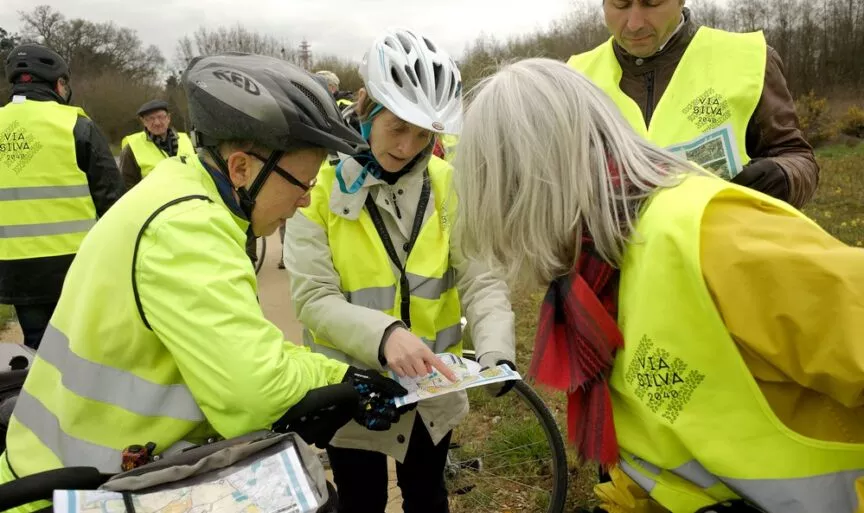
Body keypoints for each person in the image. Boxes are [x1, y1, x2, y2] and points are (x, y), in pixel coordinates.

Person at [0, 53, 411, 513]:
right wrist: (347, 381)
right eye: (303, 182)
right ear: (241, 169)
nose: (306, 199)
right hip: (76, 487)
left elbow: (244, 346)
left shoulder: (186, 192)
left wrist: (340, 376)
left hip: (92, 460)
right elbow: (255, 395)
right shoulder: (188, 227)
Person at [452, 58, 864, 513]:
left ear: (531, 186)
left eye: (502, 200)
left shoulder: (711, 237)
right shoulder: (593, 279)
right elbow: (660, 451)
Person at [284, 29, 517, 513]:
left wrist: (496, 350)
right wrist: (386, 336)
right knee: (362, 502)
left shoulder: (449, 183)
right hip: (353, 388)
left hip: (433, 390)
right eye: (397, 127)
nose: (409, 146)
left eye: (423, 134)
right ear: (366, 106)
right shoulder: (317, 190)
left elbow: (481, 276)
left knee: (428, 499)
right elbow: (313, 298)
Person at [568, 1, 819, 208]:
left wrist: (781, 176)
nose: (634, 24)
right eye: (620, 4)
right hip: (611, 266)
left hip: (719, 259)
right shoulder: (573, 77)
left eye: (652, 2)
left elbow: (797, 157)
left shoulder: (748, 58)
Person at [0, 44, 123, 350]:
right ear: (58, 84)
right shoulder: (77, 126)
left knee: (37, 348)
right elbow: (114, 202)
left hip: (13, 267)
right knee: (81, 348)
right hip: (74, 264)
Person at [119, 99, 195, 191]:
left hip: (189, 200)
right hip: (155, 204)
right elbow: (127, 186)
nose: (157, 123)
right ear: (143, 121)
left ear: (168, 118)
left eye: (160, 117)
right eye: (151, 118)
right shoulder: (132, 147)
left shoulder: (187, 140)